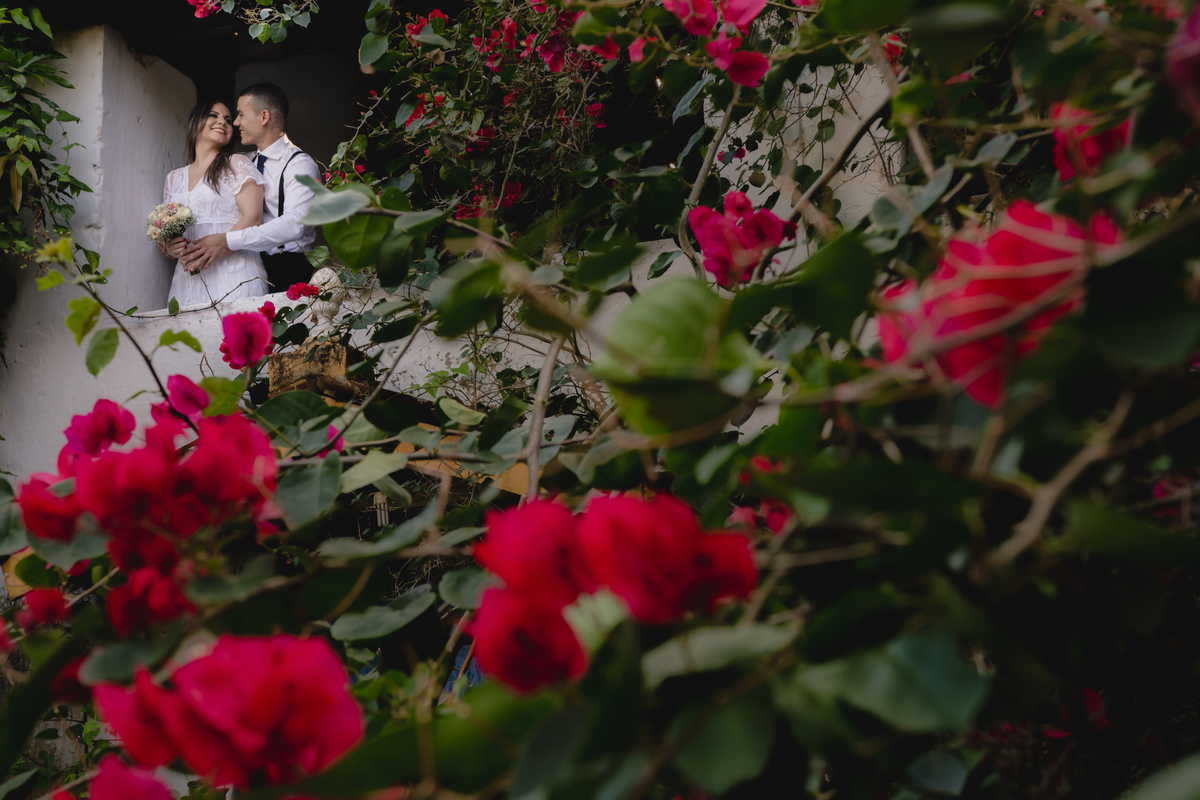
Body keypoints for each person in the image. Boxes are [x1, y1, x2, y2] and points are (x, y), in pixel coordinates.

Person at [180, 83, 319, 290]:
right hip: (247, 266)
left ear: (264, 117)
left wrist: (227, 241)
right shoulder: (242, 162)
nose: (236, 122)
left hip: (287, 268)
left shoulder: (299, 164)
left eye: (240, 115)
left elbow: (295, 224)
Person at [160, 100, 269, 307]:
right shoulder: (173, 178)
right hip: (189, 279)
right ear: (196, 122)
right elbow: (167, 231)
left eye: (228, 119)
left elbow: (254, 218)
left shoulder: (236, 163)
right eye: (214, 115)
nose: (223, 122)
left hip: (235, 271)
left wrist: (223, 244)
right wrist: (170, 246)